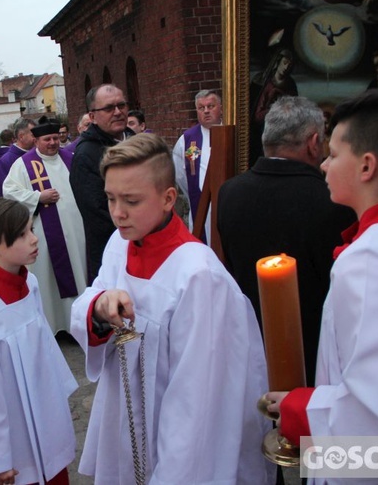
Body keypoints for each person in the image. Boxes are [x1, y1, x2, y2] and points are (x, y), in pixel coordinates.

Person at [70, 133, 275, 484]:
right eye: (110, 198)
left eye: (131, 201)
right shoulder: (120, 244)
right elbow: (94, 295)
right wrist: (100, 308)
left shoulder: (199, 276)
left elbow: (197, 403)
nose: (117, 213)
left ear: (168, 199)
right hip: (128, 417)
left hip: (178, 439)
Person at [263, 88, 378, 472]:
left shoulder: (372, 260)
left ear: (367, 166)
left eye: (335, 154)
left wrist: (299, 408)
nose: (323, 165)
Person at [218, 96, 356, 387]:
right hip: (313, 357)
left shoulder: (229, 193)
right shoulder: (334, 203)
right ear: (313, 142)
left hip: (249, 349)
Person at [0, 198, 78, 485]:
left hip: (40, 409)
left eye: (31, 229)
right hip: (10, 431)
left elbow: (44, 343)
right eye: (21, 235)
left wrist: (55, 397)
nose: (34, 240)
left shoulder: (29, 283)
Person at [3, 117, 87, 333]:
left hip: (76, 230)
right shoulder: (23, 165)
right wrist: (38, 197)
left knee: (79, 271)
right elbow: (9, 192)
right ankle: (55, 325)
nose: (52, 143)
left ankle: (78, 323)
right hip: (44, 232)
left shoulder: (71, 158)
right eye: (47, 139)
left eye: (56, 138)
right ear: (36, 140)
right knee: (49, 279)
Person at [71, 84, 134, 284]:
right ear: (92, 116)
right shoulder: (86, 154)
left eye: (121, 105)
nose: (118, 112)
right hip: (115, 247)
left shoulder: (135, 140)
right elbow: (96, 213)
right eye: (108, 108)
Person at [172, 89, 223, 243]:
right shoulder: (188, 139)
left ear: (220, 107)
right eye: (201, 108)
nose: (206, 111)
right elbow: (180, 174)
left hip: (227, 201)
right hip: (202, 207)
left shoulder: (231, 131)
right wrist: (196, 193)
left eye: (211, 106)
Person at [250, 49, 299, 166]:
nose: (286, 67)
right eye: (284, 63)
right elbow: (256, 114)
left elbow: (293, 109)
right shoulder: (262, 81)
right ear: (278, 62)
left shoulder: (290, 85)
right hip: (261, 131)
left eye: (289, 64)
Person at [0, 119, 36, 198]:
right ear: (21, 136)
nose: (36, 138)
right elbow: (0, 192)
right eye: (33, 135)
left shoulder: (37, 154)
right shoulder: (6, 161)